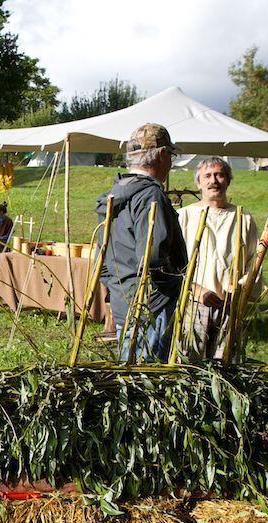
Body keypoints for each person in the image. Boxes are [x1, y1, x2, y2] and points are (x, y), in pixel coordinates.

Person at [96, 123, 187, 362]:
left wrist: (118, 288)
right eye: (170, 155)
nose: (170, 162)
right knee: (148, 374)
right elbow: (153, 256)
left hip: (124, 301)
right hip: (151, 304)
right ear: (161, 155)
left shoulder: (114, 195)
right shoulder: (150, 195)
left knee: (130, 372)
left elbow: (102, 258)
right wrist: (174, 283)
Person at [176, 157, 259, 359]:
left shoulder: (242, 217)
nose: (214, 180)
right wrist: (196, 290)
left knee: (225, 365)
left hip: (229, 305)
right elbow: (174, 264)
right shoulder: (183, 216)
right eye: (207, 176)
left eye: (219, 175)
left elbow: (254, 262)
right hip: (194, 303)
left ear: (228, 180)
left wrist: (237, 292)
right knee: (190, 363)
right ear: (199, 183)